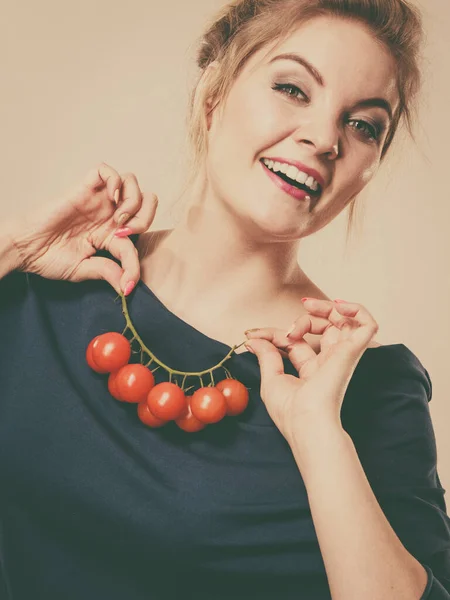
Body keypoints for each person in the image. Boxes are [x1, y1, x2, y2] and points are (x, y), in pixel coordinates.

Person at [1, 0, 449, 598]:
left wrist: (318, 432)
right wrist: (10, 247)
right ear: (213, 96)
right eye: (293, 88)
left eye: (363, 124)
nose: (323, 138)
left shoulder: (364, 386)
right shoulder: (50, 283)